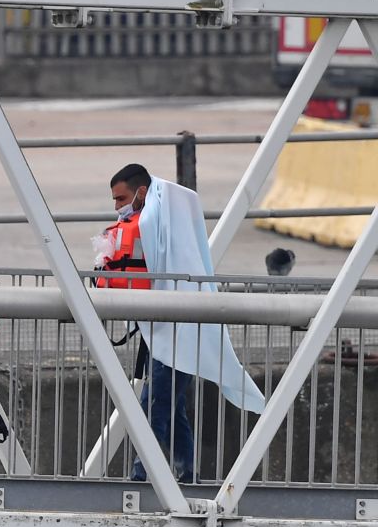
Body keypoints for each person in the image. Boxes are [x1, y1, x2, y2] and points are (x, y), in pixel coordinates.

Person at [95, 164, 265, 483]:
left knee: (155, 407)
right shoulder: (161, 224)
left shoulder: (157, 223)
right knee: (172, 412)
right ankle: (186, 474)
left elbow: (147, 260)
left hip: (178, 331)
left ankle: (140, 478)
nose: (118, 207)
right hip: (168, 329)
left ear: (142, 192)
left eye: (121, 199)